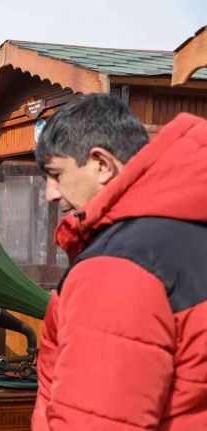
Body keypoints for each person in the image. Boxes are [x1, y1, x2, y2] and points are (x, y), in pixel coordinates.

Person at [32, 94, 207, 430]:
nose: (51, 194)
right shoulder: (189, 227)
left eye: (56, 174)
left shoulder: (117, 264)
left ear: (102, 165)